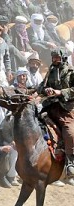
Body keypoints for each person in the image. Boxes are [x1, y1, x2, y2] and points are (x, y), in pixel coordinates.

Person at [38, 48, 74, 180]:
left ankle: (70, 161)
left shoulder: (71, 72)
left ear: (63, 57)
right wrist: (45, 89)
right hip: (49, 105)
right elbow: (40, 86)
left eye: (57, 57)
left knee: (69, 132)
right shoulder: (50, 71)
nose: (54, 60)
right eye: (53, 57)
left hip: (65, 108)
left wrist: (60, 92)